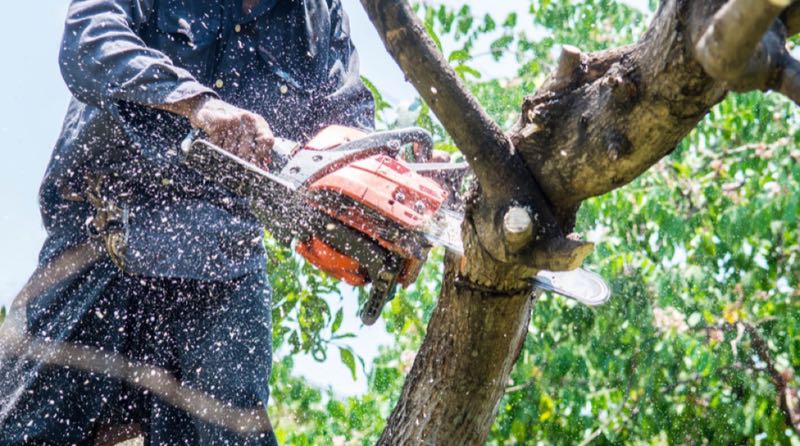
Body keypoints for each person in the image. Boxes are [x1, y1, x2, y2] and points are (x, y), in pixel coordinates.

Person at [0, 0, 374, 444]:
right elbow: (88, 40)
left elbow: (349, 139)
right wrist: (196, 103)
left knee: (234, 433)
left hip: (224, 262)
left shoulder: (317, 16)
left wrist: (388, 195)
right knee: (27, 428)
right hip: (105, 234)